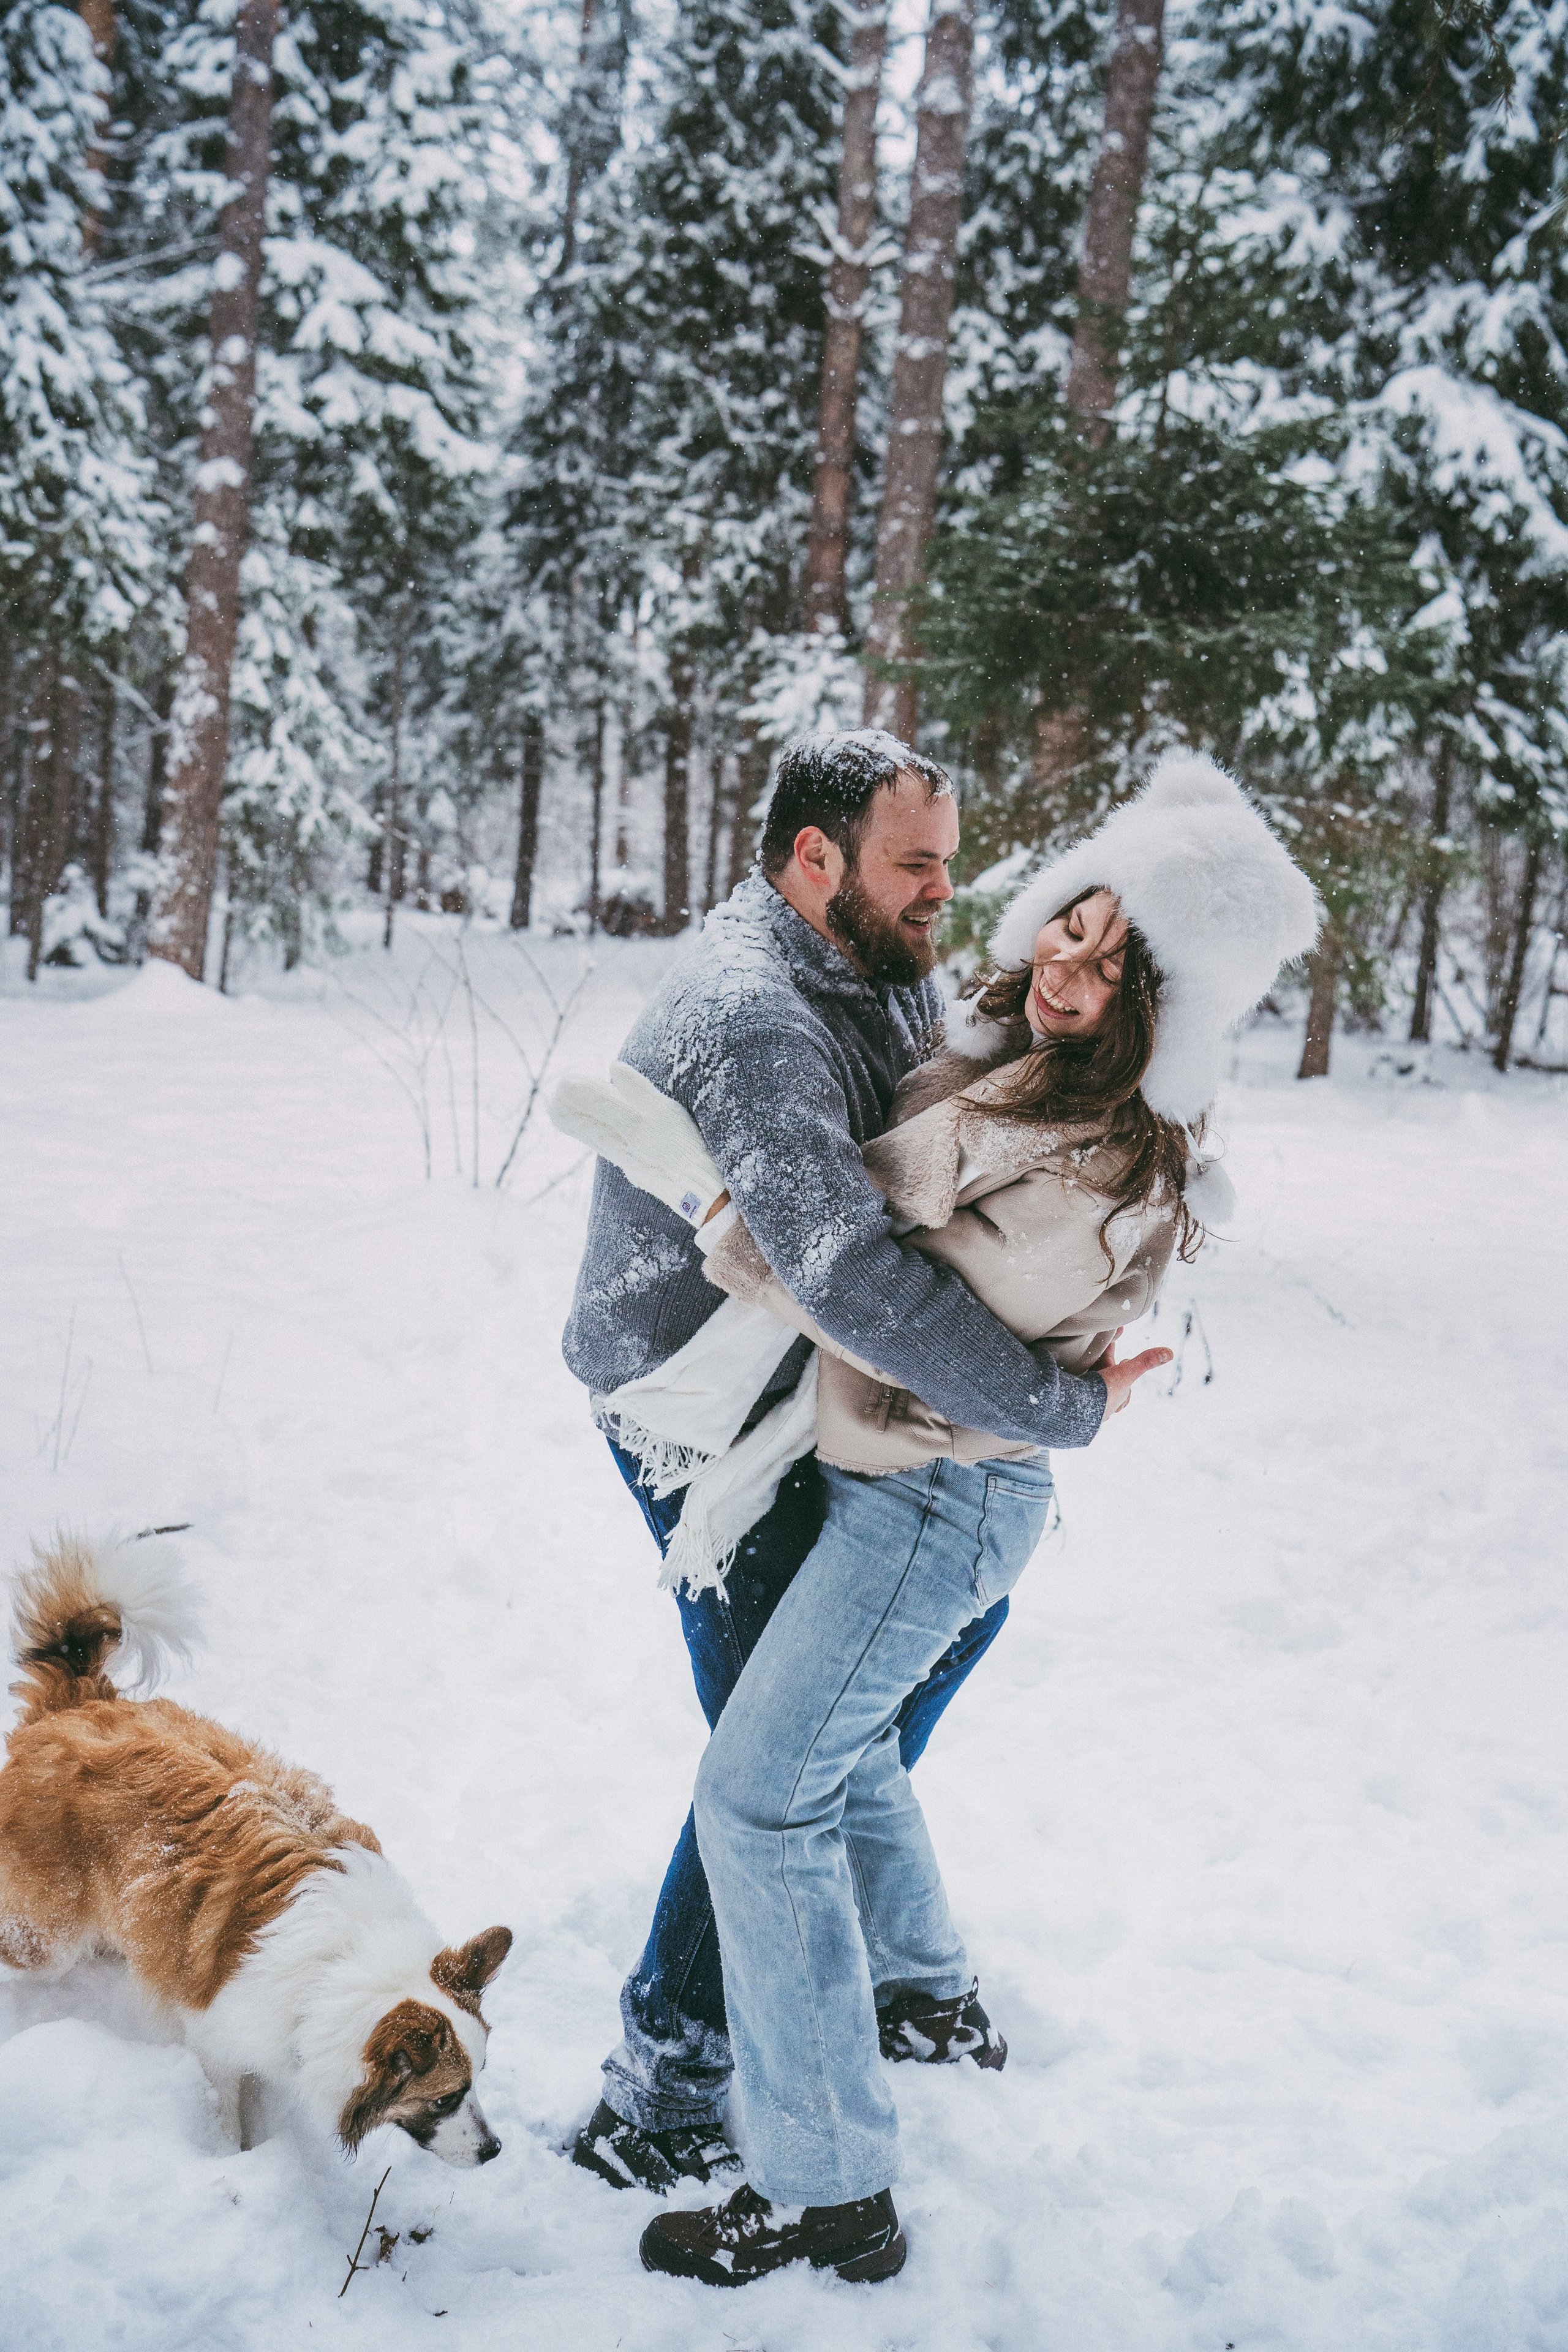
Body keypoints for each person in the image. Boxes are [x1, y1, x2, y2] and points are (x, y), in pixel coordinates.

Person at [567, 752, 1318, 2285]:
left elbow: (872, 1273)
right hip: (707, 1419)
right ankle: (857, 2010)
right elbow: (848, 1268)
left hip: (918, 1478)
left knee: (773, 1786)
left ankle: (787, 2137)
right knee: (801, 1760)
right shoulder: (774, 1015)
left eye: (1112, 955)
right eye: (918, 866)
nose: (957, 899)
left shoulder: (1033, 1094)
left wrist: (1050, 1404)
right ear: (813, 865)